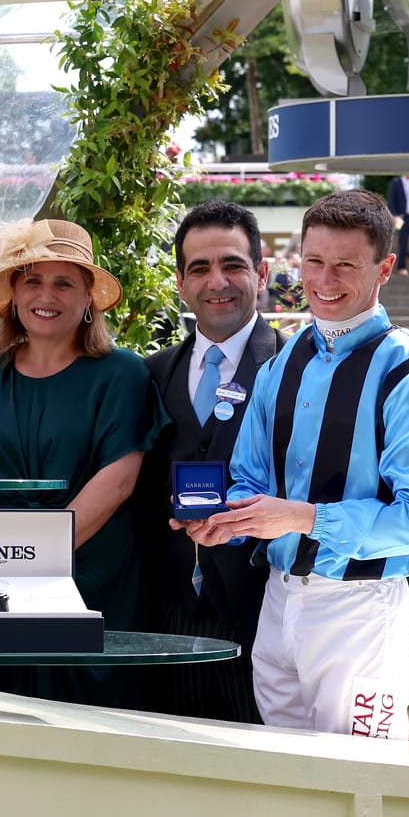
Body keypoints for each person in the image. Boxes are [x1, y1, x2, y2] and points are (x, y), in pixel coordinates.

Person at [180, 190, 409, 740]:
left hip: (360, 609)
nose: (324, 279)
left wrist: (303, 518)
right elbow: (250, 479)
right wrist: (225, 523)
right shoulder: (283, 362)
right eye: (314, 261)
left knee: (362, 789)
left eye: (344, 265)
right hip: (279, 600)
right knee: (289, 782)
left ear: (385, 268)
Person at [0, 217, 164, 708]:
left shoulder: (121, 373)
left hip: (92, 582)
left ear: (89, 297)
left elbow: (118, 481)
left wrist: (32, 562)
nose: (48, 295)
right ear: (14, 295)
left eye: (65, 282)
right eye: (34, 280)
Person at [136, 201, 282, 723]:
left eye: (232, 265)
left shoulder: (295, 373)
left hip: (259, 620)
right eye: (199, 268)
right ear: (180, 281)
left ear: (261, 274)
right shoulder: (149, 375)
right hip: (163, 623)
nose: (216, 281)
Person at [387, 173, 409, 274]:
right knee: (403, 242)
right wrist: (394, 215)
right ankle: (401, 267)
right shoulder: (396, 183)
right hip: (402, 217)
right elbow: (392, 199)